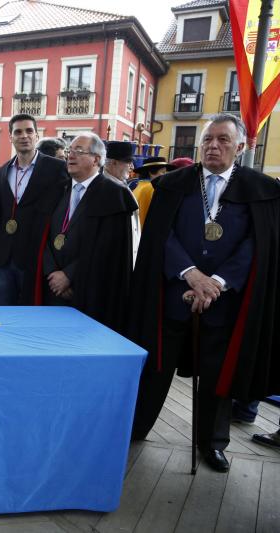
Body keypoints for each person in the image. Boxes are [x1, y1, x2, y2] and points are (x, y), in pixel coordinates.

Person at [128, 113, 280, 473]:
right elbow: (161, 237)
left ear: (240, 147)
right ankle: (137, 427)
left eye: (223, 140)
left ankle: (212, 443)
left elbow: (255, 247)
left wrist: (218, 283)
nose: (213, 146)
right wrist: (191, 274)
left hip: (225, 302)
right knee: (156, 367)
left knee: (217, 374)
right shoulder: (173, 185)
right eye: (208, 139)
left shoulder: (262, 190)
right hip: (173, 296)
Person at [37, 133, 137, 332]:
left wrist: (68, 276)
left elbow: (107, 249)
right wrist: (52, 272)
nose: (70, 156)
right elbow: (42, 236)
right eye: (69, 151)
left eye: (79, 151)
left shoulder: (114, 194)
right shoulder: (58, 189)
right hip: (52, 287)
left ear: (97, 159)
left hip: (90, 291)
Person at [0, 113, 69, 305]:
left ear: (36, 136)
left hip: (35, 257)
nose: (23, 136)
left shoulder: (57, 168)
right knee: (3, 316)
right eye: (18, 132)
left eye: (29, 131)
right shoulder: (3, 170)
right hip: (4, 259)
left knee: (29, 316)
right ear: (10, 137)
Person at [103, 141, 141, 267]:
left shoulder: (121, 184)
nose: (132, 167)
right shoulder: (103, 187)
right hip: (114, 262)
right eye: (128, 162)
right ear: (113, 162)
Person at [131, 156, 170, 226]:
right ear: (151, 172)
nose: (165, 176)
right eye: (163, 172)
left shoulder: (139, 186)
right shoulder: (152, 188)